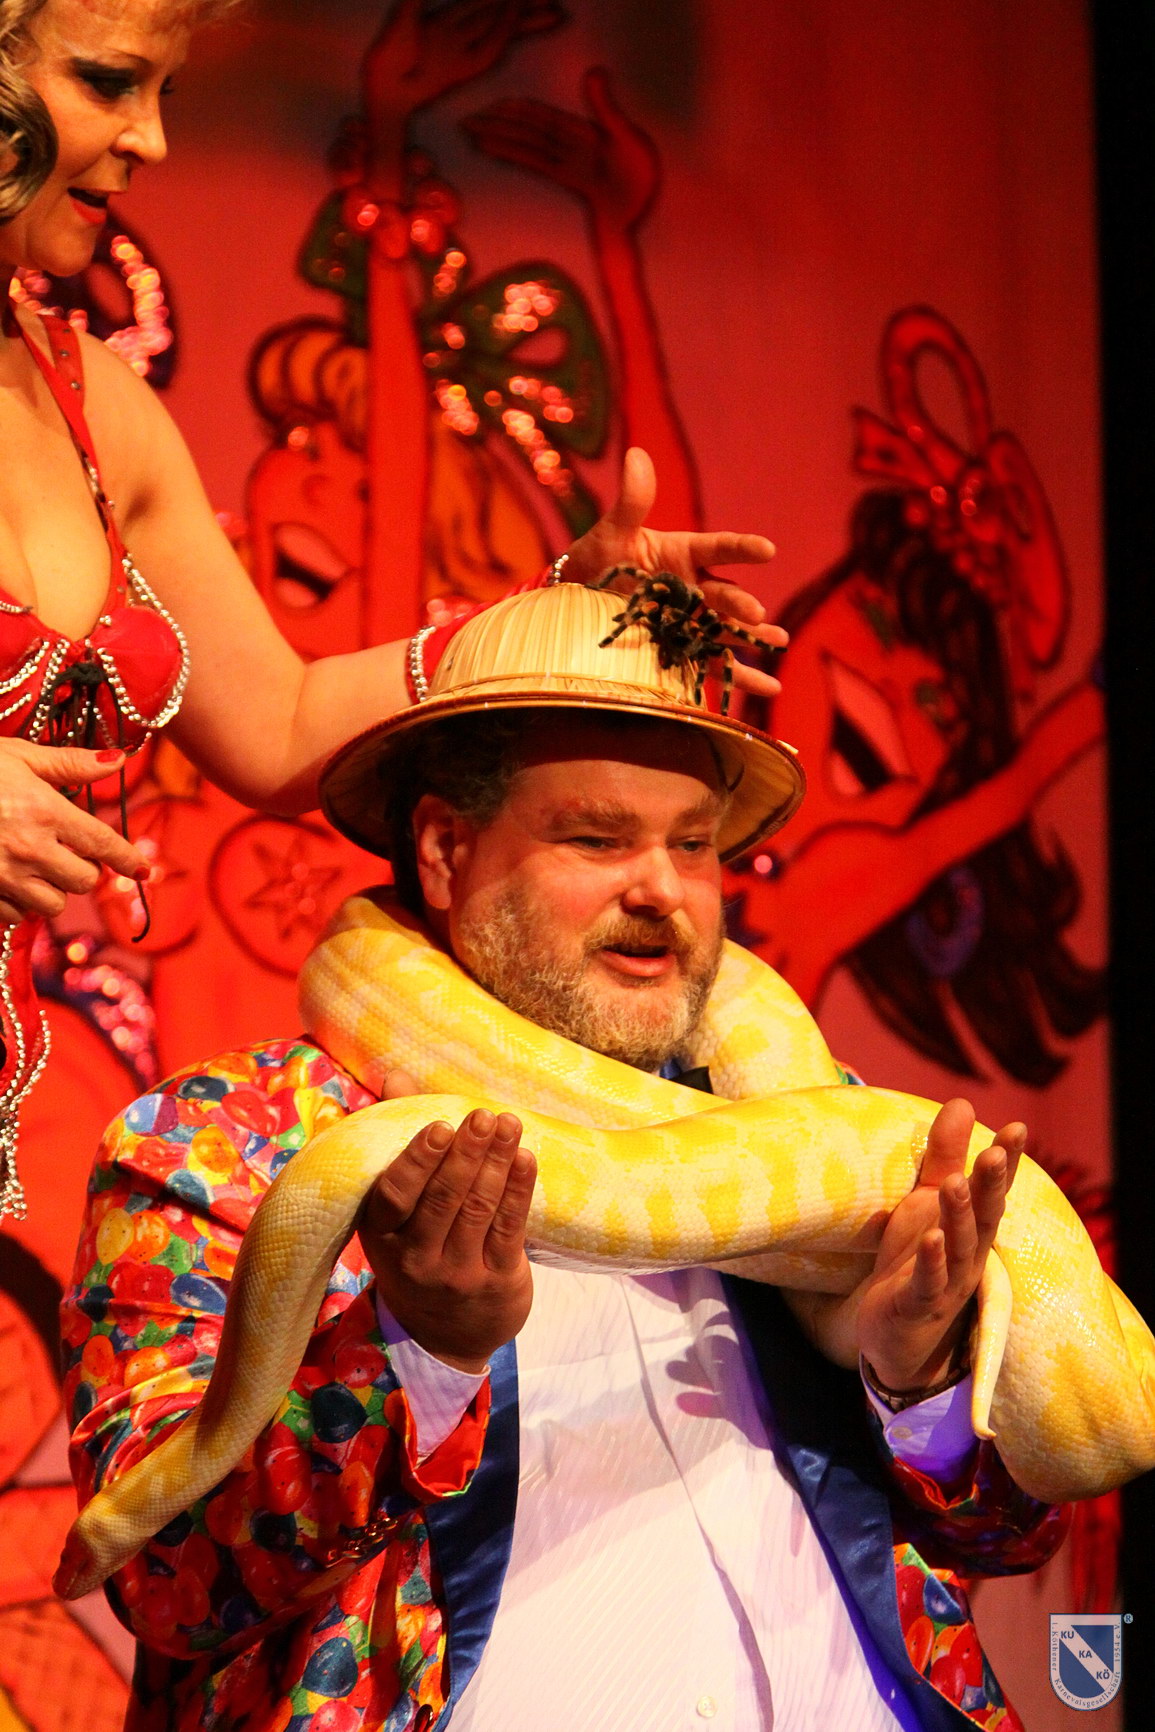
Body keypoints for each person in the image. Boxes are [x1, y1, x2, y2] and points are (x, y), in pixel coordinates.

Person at [61, 580, 1069, 1731]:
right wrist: (413, 1356)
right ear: (445, 850)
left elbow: (1018, 1529)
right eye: (597, 837)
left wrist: (922, 1381)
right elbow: (165, 1582)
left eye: (694, 845)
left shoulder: (814, 1128)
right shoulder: (222, 1143)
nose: (662, 891)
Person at [0, 0, 782, 1214]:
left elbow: (281, 725)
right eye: (109, 83)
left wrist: (547, 615)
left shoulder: (94, 408)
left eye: (164, 91)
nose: (151, 138)